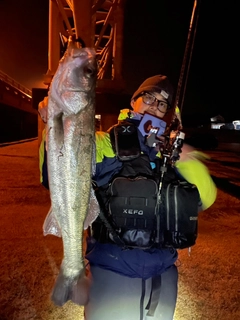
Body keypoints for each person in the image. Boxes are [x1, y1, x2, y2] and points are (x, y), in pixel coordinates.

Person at [39, 75, 217, 320]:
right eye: (149, 98)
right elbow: (56, 172)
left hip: (163, 277)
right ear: (134, 102)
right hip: (112, 273)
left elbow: (206, 197)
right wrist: (55, 126)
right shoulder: (104, 143)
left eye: (162, 104)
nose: (154, 106)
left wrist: (186, 160)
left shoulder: (171, 152)